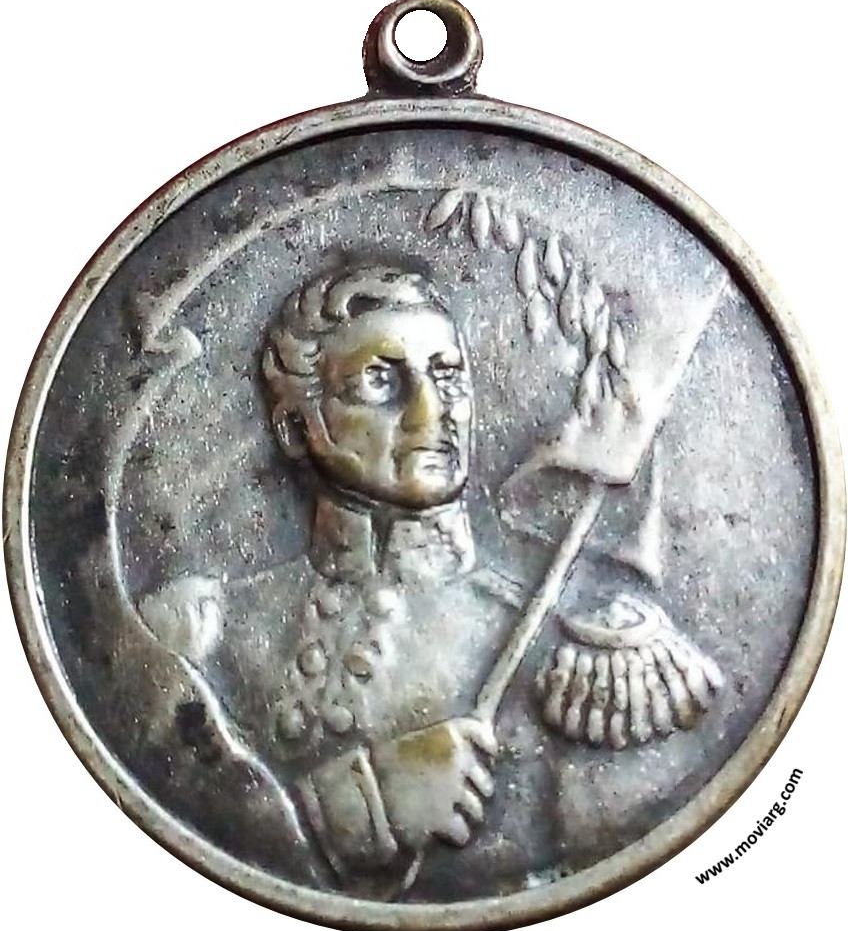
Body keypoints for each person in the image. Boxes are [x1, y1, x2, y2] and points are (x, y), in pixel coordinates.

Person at [138, 263, 722, 897]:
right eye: (380, 382)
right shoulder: (208, 634)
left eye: (448, 377)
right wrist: (361, 808)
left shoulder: (557, 651)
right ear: (297, 428)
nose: (430, 413)